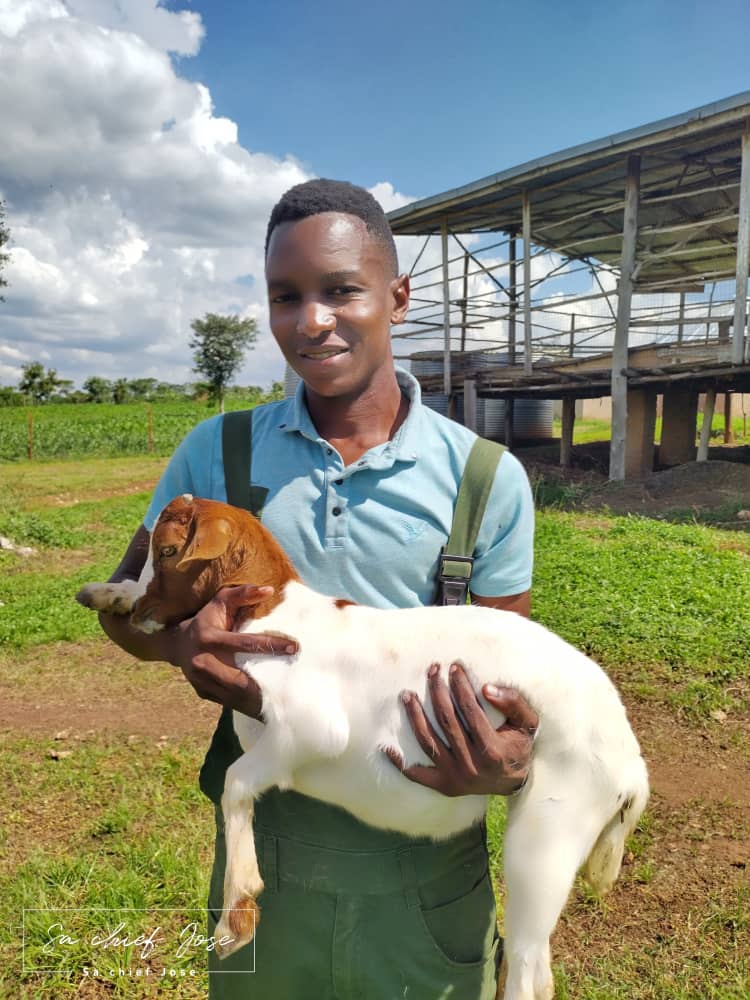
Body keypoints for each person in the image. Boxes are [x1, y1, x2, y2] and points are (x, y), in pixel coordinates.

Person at [100, 179, 538, 999]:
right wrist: (176, 644)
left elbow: (511, 681)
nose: (311, 321)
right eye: (285, 296)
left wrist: (509, 758)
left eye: (341, 290)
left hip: (427, 878)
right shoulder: (218, 455)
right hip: (269, 864)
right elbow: (129, 604)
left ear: (398, 298)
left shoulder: (484, 480)